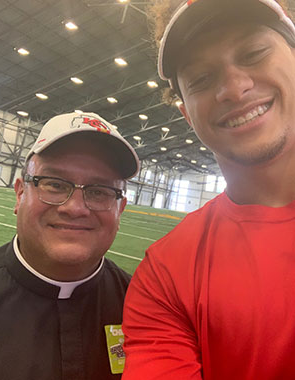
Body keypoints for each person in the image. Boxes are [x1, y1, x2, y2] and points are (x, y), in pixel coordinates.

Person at [122, 0, 295, 379]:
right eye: (201, 79)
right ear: (187, 114)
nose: (234, 88)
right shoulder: (164, 275)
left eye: (253, 53)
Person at [0, 111, 139, 380]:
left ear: (120, 209)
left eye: (99, 191)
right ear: (20, 193)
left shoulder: (143, 307)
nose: (75, 208)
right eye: (54, 184)